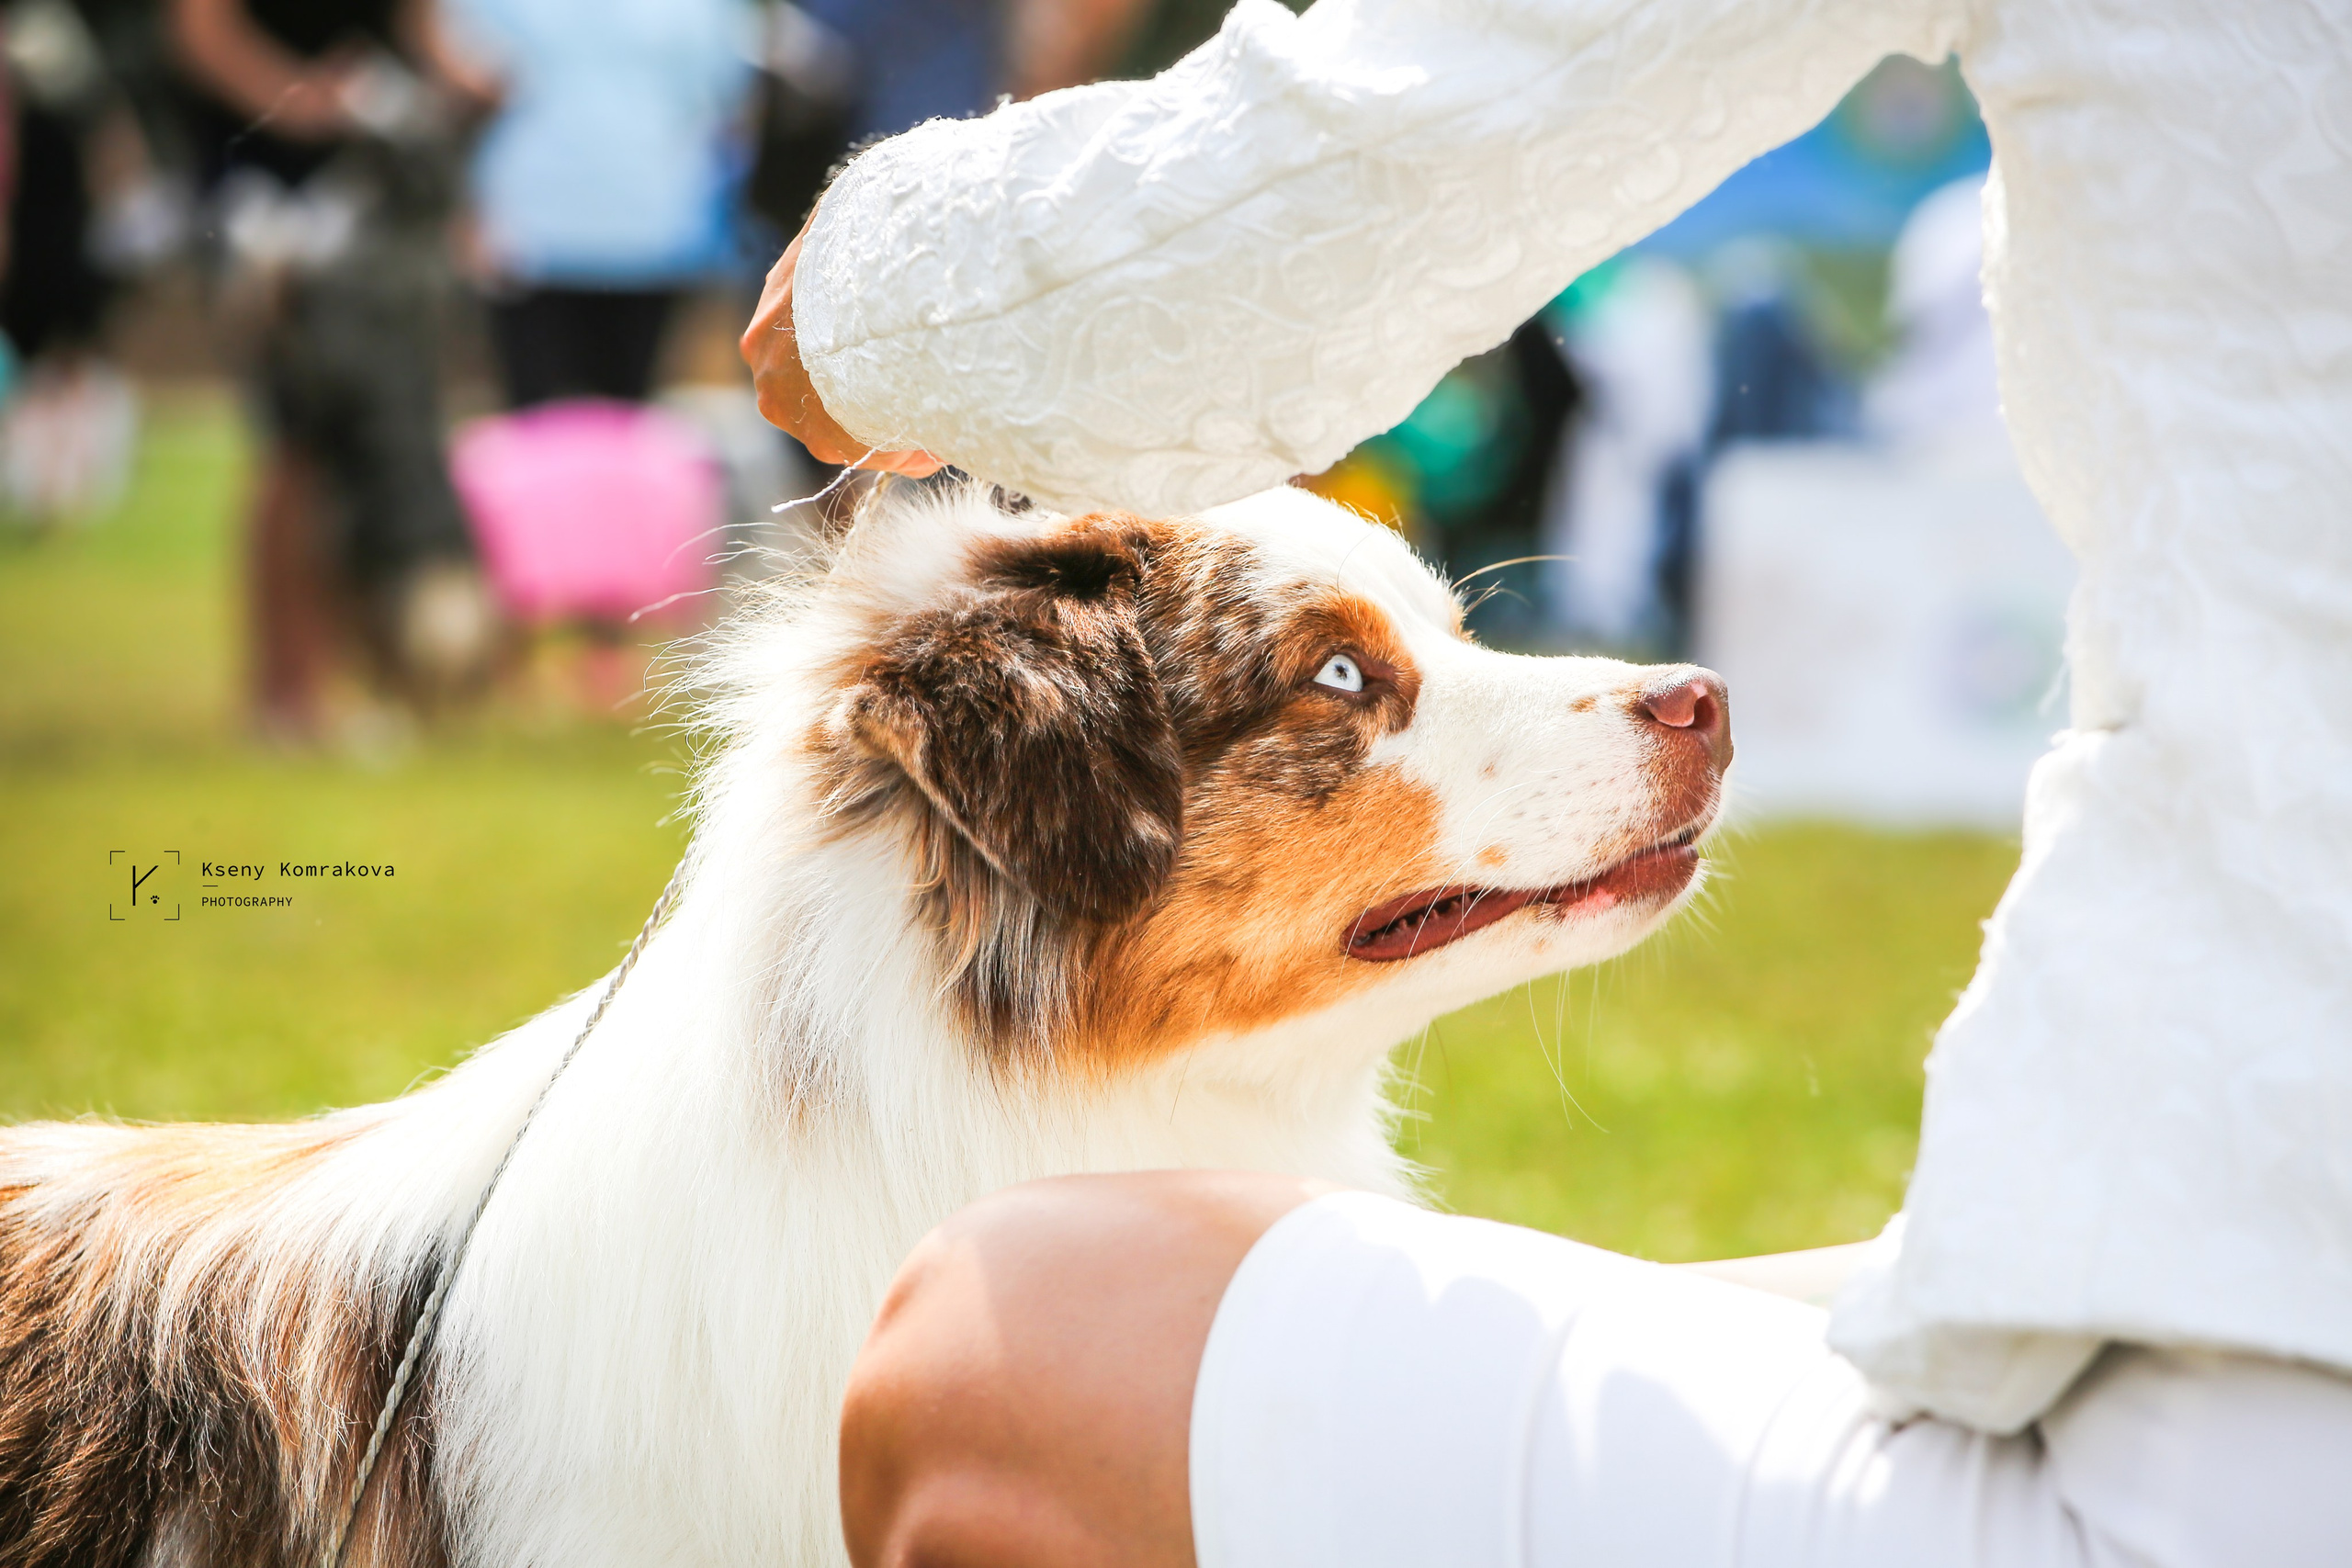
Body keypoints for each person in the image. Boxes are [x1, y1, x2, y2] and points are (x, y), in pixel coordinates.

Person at [741, 0, 2352, 1561]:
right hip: (2253, 1322)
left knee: (998, 1343)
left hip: (2220, 1454)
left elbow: (1409, 129)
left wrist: (887, 297)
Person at [173, 0, 497, 739]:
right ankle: (284, 692)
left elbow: (424, 35)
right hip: (262, 206)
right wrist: (300, 99)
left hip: (377, 215)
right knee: (296, 443)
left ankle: (357, 687)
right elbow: (201, 34)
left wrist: (469, 82)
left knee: (370, 453)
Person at [449, 0, 751, 410]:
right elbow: (726, 100)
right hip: (624, 228)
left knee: (542, 421)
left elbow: (462, 71)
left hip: (554, 228)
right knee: (620, 416)